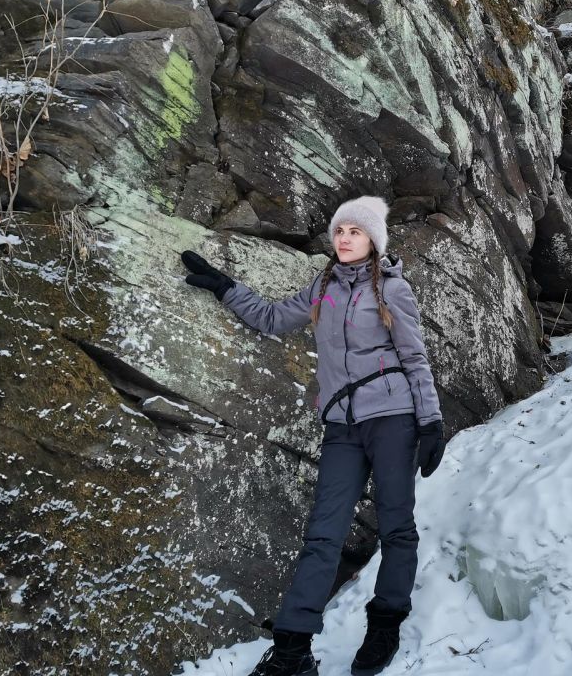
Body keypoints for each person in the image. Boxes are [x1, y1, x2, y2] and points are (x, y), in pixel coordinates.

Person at [181, 195, 446, 676]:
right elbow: (271, 317)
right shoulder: (323, 287)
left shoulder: (392, 288)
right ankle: (292, 651)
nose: (344, 238)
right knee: (323, 533)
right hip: (342, 424)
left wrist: (430, 421)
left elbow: (414, 357)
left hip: (393, 418)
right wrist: (225, 287)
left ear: (373, 240)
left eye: (355, 231)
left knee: (396, 525)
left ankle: (385, 624)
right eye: (340, 230)